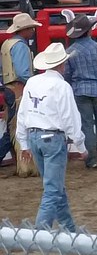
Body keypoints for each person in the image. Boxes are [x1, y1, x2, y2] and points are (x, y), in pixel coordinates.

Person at [16, 43, 86, 231]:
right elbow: (70, 117)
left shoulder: (32, 82)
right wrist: (80, 145)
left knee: (55, 188)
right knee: (53, 190)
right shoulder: (61, 86)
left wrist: (23, 142)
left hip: (34, 136)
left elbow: (23, 112)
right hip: (52, 139)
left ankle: (70, 229)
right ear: (62, 65)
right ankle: (40, 232)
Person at [64, 14, 97, 170]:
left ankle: (92, 160)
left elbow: (67, 74)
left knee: (86, 125)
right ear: (89, 31)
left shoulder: (70, 51)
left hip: (80, 90)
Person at [2, 12, 41, 177]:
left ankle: (22, 165)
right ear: (24, 29)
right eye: (30, 28)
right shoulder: (20, 46)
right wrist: (35, 82)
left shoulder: (7, 44)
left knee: (12, 129)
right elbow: (23, 71)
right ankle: (24, 166)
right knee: (17, 127)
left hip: (9, 87)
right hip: (19, 89)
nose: (33, 30)